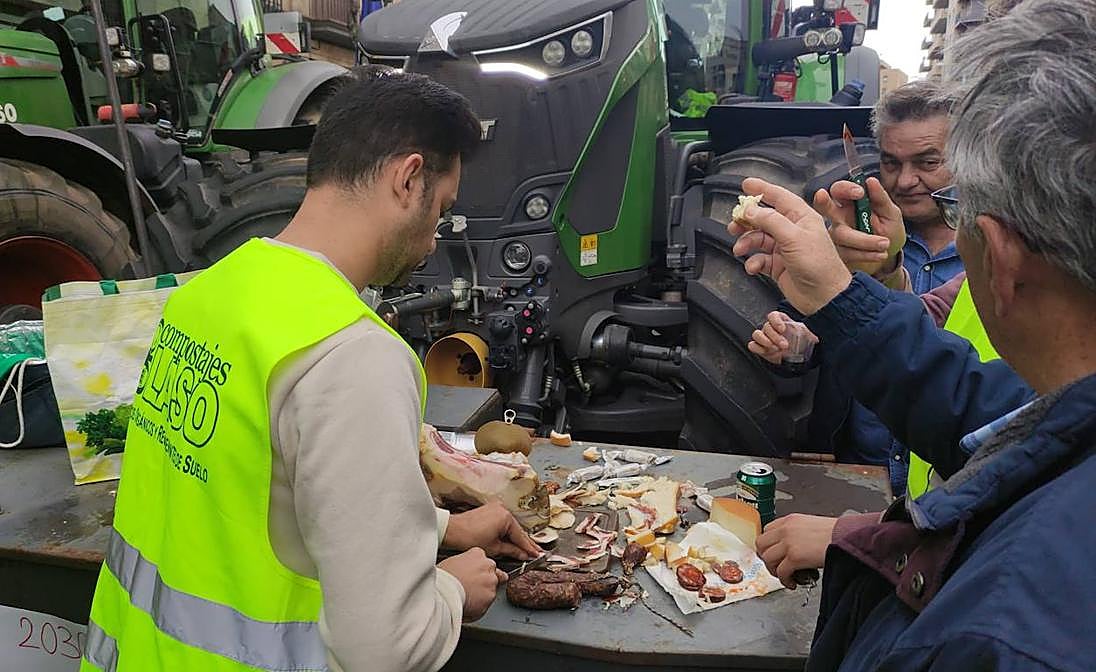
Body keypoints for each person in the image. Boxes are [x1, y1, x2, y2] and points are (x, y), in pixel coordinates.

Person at [81, 70, 541, 672]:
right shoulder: (352, 357)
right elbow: (384, 648)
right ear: (407, 179)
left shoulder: (205, 297)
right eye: (443, 207)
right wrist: (452, 590)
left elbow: (245, 492)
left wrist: (437, 527)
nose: (437, 236)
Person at [731, 1, 1096, 668]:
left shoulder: (992, 635)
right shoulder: (1065, 432)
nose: (909, 185)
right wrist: (837, 298)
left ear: (1000, 258)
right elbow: (988, 411)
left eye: (956, 196)